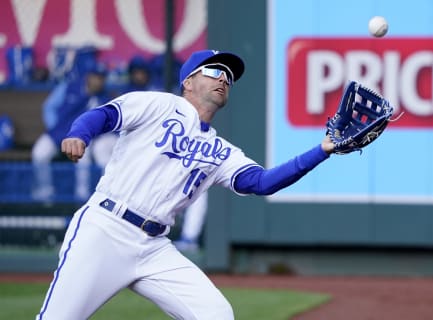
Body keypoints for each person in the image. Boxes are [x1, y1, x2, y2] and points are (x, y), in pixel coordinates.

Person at [36, 49, 335, 320]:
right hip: (106, 229)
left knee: (217, 314)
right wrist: (79, 134)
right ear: (189, 82)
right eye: (215, 71)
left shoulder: (222, 150)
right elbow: (105, 114)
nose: (224, 79)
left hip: (154, 246)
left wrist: (322, 150)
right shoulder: (160, 103)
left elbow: (262, 182)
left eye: (229, 77)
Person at [31, 63, 112, 202]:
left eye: (101, 78)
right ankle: (45, 191)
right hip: (58, 133)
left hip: (81, 138)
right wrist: (56, 126)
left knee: (83, 158)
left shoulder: (104, 99)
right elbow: (49, 107)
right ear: (88, 77)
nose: (98, 81)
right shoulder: (69, 87)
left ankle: (81, 196)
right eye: (95, 77)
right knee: (39, 153)